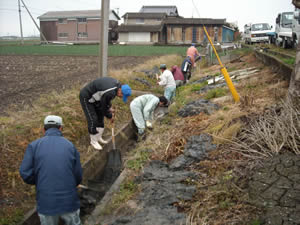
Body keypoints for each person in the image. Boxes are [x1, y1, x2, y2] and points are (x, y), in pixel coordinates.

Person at [19, 115, 83, 225]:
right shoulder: (70, 146)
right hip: (69, 201)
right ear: (60, 128)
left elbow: (25, 172)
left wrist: (40, 180)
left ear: (44, 129)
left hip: (46, 202)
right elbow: (78, 175)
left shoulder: (34, 146)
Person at [79, 77, 131, 150]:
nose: (121, 97)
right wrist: (110, 116)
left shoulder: (117, 87)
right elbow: (104, 108)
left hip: (97, 98)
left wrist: (109, 108)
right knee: (93, 119)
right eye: (122, 96)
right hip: (86, 97)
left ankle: (98, 137)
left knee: (100, 116)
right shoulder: (111, 92)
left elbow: (105, 101)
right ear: (120, 90)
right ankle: (93, 141)